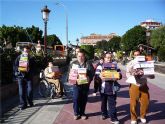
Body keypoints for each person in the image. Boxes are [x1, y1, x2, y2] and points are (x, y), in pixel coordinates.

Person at [126, 50, 154, 124]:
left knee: (146, 102)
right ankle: (134, 118)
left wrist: (151, 74)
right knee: (133, 103)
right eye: (135, 55)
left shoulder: (146, 63)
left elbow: (151, 74)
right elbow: (127, 73)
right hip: (134, 85)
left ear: (140, 55)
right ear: (133, 56)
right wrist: (133, 76)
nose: (137, 56)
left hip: (144, 85)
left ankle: (142, 116)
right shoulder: (130, 63)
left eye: (138, 54)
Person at [68, 49, 94, 120]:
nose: (80, 57)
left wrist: (89, 77)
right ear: (77, 56)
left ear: (84, 56)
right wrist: (71, 78)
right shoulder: (73, 64)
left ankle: (82, 113)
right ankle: (76, 113)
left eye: (82, 56)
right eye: (79, 56)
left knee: (83, 99)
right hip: (76, 85)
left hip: (85, 85)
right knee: (76, 98)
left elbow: (92, 73)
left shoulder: (88, 63)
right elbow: (68, 74)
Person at [99, 52, 122, 124]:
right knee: (103, 103)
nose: (109, 59)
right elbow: (96, 76)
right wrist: (100, 76)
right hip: (103, 88)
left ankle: (113, 118)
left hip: (112, 89)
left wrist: (118, 77)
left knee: (112, 104)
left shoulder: (115, 65)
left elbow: (120, 75)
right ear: (104, 58)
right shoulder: (100, 66)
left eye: (110, 57)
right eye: (107, 57)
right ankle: (104, 113)